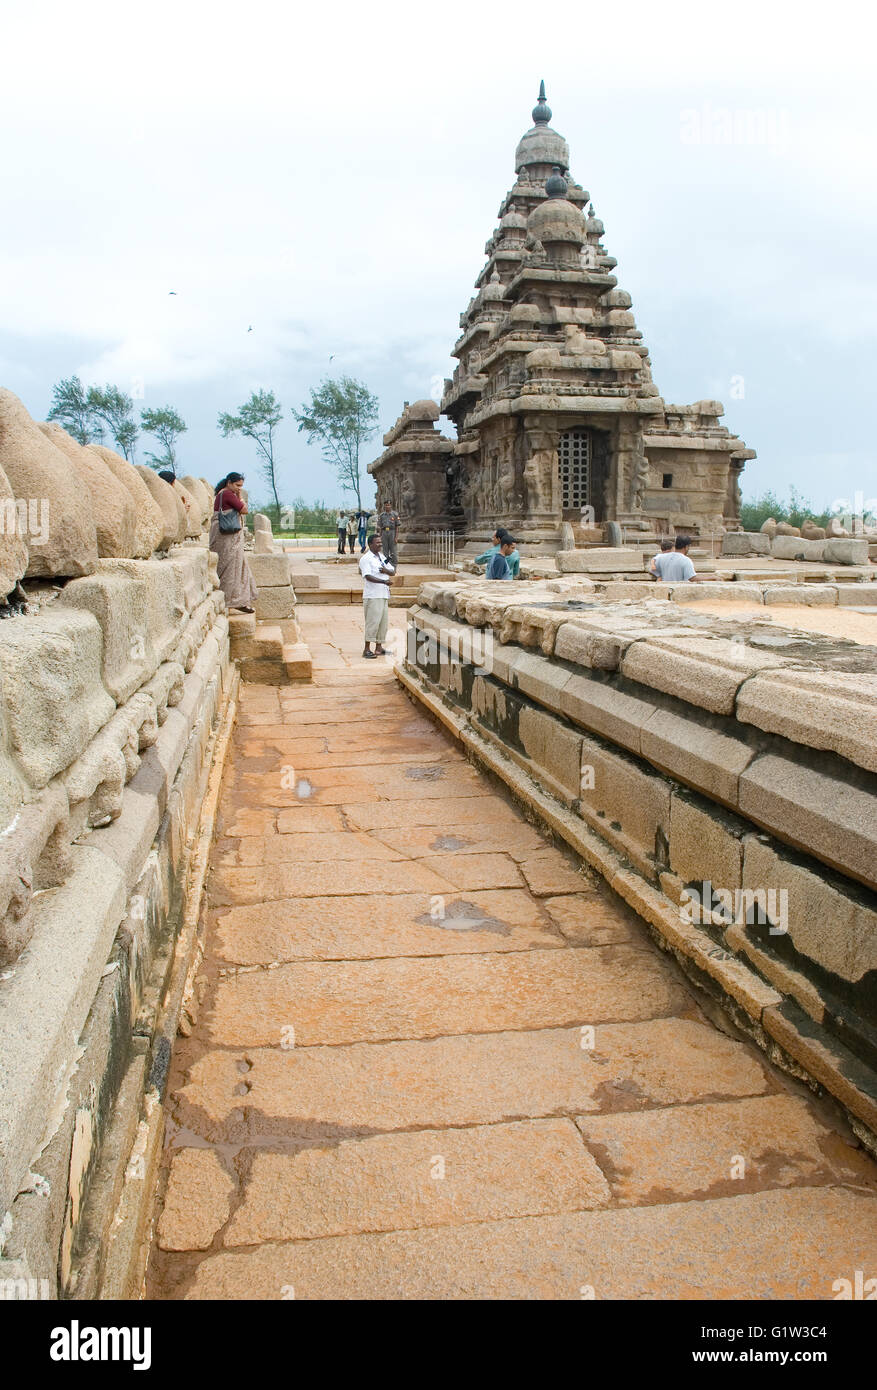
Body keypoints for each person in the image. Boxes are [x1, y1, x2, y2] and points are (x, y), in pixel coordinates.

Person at [209, 472, 258, 612]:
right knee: (231, 567)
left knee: (235, 566)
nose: (239, 488)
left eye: (241, 486)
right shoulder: (228, 494)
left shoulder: (221, 494)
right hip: (227, 538)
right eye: (237, 485)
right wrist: (240, 497)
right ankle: (231, 600)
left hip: (224, 535)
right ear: (229, 482)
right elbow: (244, 510)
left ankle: (237, 600)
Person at [359, 533, 395, 657]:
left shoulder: (381, 556)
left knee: (382, 622)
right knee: (372, 622)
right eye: (377, 542)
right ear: (370, 544)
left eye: (380, 542)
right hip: (373, 595)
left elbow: (392, 571)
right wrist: (384, 581)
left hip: (383, 594)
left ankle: (379, 648)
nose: (380, 544)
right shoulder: (366, 559)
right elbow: (368, 576)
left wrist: (385, 571)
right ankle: (366, 649)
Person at [379, 502, 400, 567]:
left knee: (393, 550)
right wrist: (380, 537)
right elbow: (380, 527)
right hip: (384, 532)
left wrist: (396, 537)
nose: (387, 506)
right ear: (384, 506)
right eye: (386, 505)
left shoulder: (395, 514)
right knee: (385, 551)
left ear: (391, 506)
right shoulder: (382, 515)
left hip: (392, 532)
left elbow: (397, 527)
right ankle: (387, 565)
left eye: (388, 505)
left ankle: (394, 565)